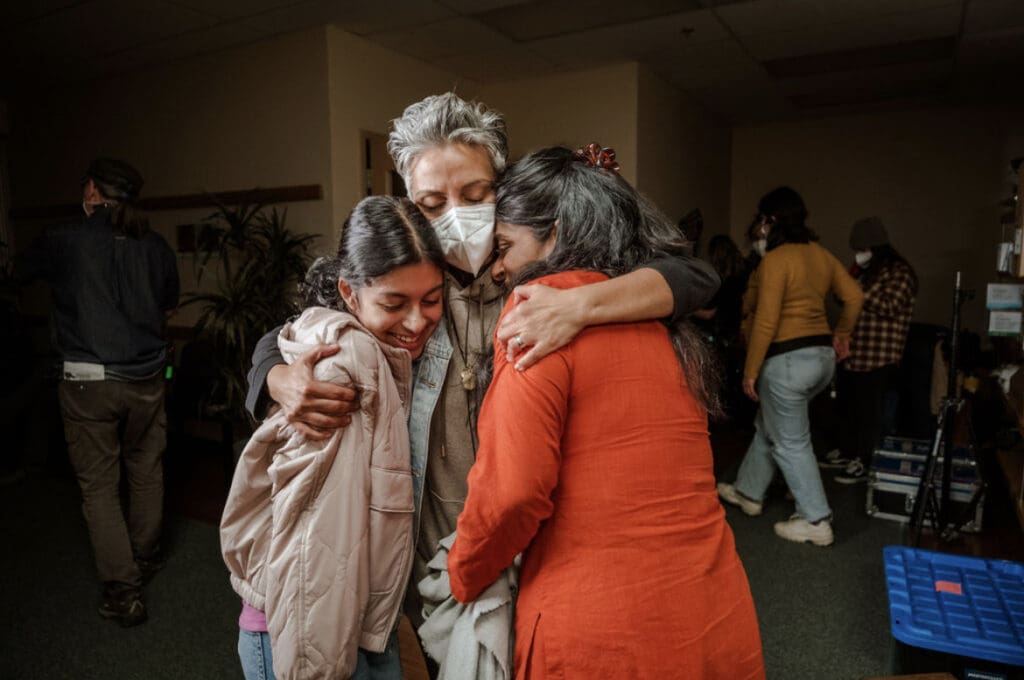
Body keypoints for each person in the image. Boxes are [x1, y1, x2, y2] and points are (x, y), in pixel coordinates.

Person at [244, 93, 721, 653]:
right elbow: (305, 326)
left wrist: (581, 305)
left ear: (504, 186)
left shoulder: (539, 275)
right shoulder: (409, 288)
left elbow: (694, 276)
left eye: (475, 195)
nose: (456, 216)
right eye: (431, 202)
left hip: (524, 544)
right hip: (423, 546)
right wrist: (277, 378)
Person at [446, 144, 764, 679]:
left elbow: (513, 493)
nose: (499, 268)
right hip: (713, 608)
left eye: (505, 246)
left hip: (603, 633)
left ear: (557, 233)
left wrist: (464, 572)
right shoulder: (662, 318)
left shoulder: (539, 315)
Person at [220, 196, 446, 680]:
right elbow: (315, 554)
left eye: (432, 299)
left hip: (357, 616)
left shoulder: (387, 347)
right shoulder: (344, 369)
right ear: (349, 292)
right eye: (394, 303)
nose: (416, 321)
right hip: (307, 628)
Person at [18, 158, 179, 626]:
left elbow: (18, 273)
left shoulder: (63, 239)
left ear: (91, 191)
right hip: (148, 378)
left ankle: (123, 592)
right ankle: (144, 558)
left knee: (100, 488)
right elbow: (168, 304)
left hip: (88, 381)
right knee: (146, 469)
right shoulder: (155, 246)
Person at [717, 186, 862, 547]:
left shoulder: (776, 261)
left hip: (787, 362)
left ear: (769, 220)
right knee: (771, 424)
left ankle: (816, 520)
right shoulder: (822, 255)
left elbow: (766, 319)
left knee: (791, 443)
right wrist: (842, 334)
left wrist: (750, 371)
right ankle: (749, 493)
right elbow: (855, 297)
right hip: (821, 359)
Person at [830, 217, 917, 484]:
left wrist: (856, 290)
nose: (858, 253)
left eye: (862, 248)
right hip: (854, 353)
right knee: (848, 408)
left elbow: (890, 305)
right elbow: (840, 297)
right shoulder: (863, 271)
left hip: (880, 357)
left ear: (876, 247)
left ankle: (866, 462)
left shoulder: (899, 272)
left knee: (871, 414)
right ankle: (848, 452)